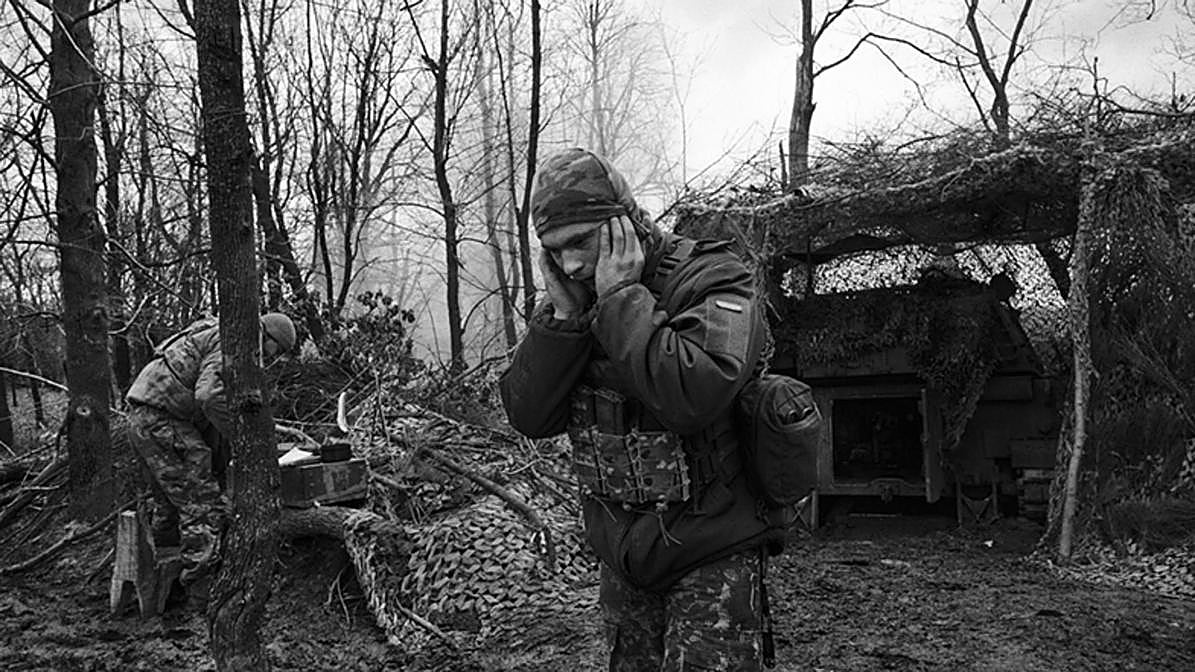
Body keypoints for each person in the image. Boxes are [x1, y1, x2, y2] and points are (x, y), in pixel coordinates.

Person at [499, 147, 779, 671]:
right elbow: (529, 416)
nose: (571, 264)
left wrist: (622, 300)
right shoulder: (576, 296)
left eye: (581, 242)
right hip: (623, 553)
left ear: (624, 222)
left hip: (711, 546)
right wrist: (563, 320)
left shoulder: (713, 277)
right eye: (555, 251)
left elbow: (695, 396)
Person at [125, 312, 296, 592]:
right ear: (269, 337)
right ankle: (200, 588)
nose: (273, 357)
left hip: (146, 413)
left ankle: (163, 583)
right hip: (162, 418)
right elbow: (209, 396)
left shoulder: (220, 329)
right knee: (201, 501)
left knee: (171, 505)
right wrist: (242, 436)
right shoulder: (237, 340)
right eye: (276, 350)